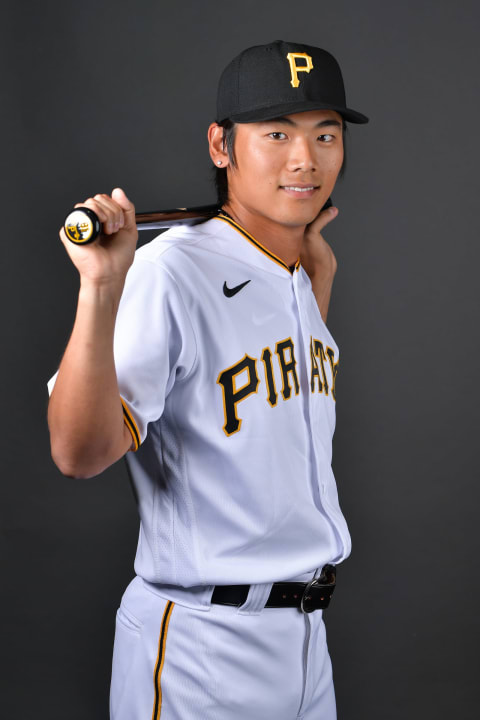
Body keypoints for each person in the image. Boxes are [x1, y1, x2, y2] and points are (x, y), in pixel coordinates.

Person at [48, 40, 368, 720]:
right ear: (221, 145)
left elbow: (275, 429)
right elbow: (78, 453)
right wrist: (101, 289)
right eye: (276, 133)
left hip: (307, 635)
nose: (305, 159)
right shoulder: (172, 271)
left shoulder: (303, 269)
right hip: (203, 641)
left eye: (325, 134)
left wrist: (319, 286)